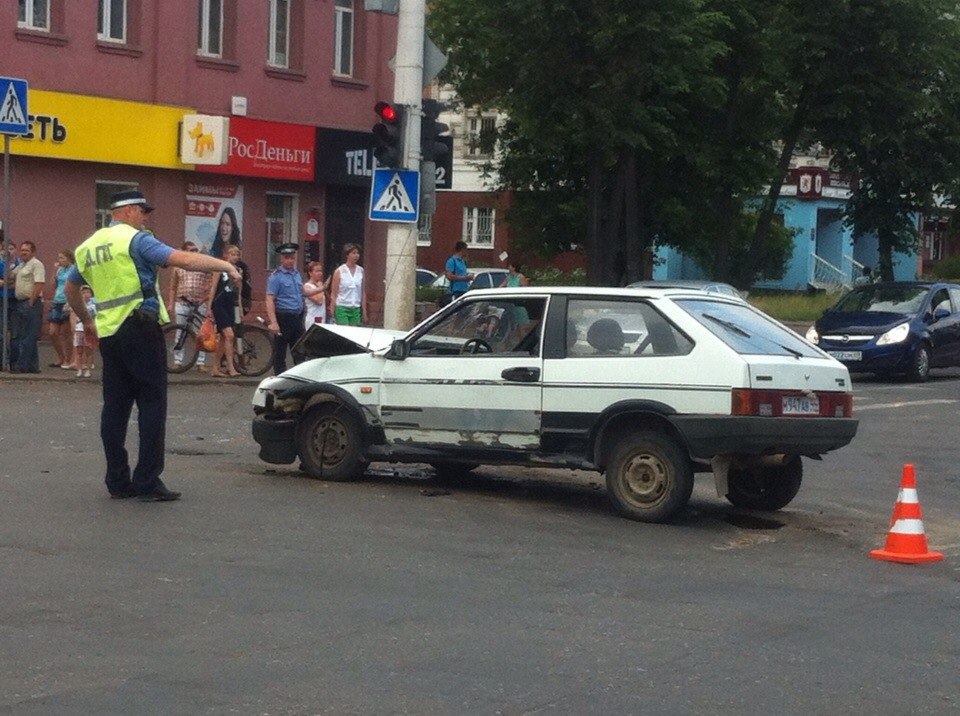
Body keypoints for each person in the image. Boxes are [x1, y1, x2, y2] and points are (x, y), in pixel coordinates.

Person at [65, 189, 240, 502]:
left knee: (115, 407)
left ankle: (117, 481)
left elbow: (70, 286)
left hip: (109, 334)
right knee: (152, 403)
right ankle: (147, 481)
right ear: (129, 211)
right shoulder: (136, 239)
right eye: (143, 212)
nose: (145, 218)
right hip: (141, 328)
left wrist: (87, 321)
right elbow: (181, 259)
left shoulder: (88, 246)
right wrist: (224, 266)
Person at [166, 240, 210, 371]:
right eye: (191, 250)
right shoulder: (178, 268)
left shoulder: (203, 266)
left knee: (201, 334)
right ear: (184, 251)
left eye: (196, 250)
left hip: (199, 304)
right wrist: (171, 304)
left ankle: (200, 363)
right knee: (180, 332)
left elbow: (211, 284)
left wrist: (206, 299)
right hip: (182, 303)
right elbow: (173, 287)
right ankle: (177, 361)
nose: (194, 252)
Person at [265, 242, 306, 375]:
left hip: (297, 317)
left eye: (292, 257)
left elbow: (302, 292)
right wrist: (273, 322)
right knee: (280, 352)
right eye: (287, 257)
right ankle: (280, 382)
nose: (290, 260)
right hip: (283, 317)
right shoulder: (276, 277)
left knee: (299, 351)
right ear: (281, 258)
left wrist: (321, 288)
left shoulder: (296, 274)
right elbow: (269, 299)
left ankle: (300, 379)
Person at [207, 245, 242, 378]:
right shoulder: (220, 269)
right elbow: (213, 287)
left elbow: (237, 292)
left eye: (237, 255)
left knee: (223, 338)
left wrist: (239, 309)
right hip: (219, 303)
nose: (235, 257)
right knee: (230, 335)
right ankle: (230, 367)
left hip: (229, 304)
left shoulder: (238, 270)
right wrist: (209, 307)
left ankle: (215, 367)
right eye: (232, 254)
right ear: (226, 255)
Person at [10, 241, 46, 374]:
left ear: (33, 252)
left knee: (28, 336)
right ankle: (33, 367)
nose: (23, 252)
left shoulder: (36, 264)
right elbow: (10, 276)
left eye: (26, 250)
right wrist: (9, 259)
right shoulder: (22, 265)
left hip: (31, 303)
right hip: (21, 302)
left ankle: (22, 366)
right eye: (22, 250)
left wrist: (31, 301)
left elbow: (39, 283)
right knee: (26, 334)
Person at [48, 249, 76, 369]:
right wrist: (54, 271)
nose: (60, 261)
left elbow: (75, 285)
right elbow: (53, 285)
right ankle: (61, 357)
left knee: (66, 333)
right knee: (53, 332)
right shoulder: (60, 270)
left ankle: (68, 359)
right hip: (57, 300)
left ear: (69, 258)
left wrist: (71, 302)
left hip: (67, 301)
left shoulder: (73, 269)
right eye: (59, 258)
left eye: (62, 258)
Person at [330, 243, 368, 325]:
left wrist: (364, 310)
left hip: (356, 308)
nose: (356, 256)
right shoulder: (339, 271)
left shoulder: (361, 270)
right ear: (347, 255)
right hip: (342, 307)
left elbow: (362, 292)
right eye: (353, 253)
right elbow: (334, 293)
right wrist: (332, 310)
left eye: (358, 253)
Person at [0, 239, 21, 367]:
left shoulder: (20, 264)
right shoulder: (1, 263)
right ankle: (2, 361)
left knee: (15, 332)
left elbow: (18, 283)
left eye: (11, 248)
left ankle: (14, 362)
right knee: (1, 332)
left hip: (15, 300)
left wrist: (6, 282)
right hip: (1, 299)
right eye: (5, 248)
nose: (8, 251)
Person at [73, 285, 97, 378]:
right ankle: (79, 369)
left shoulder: (94, 305)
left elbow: (95, 317)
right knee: (79, 351)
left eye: (88, 292)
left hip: (89, 330)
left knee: (89, 351)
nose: (86, 295)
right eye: (83, 293)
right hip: (79, 329)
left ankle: (88, 369)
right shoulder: (77, 304)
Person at [303, 261, 329, 329]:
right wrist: (321, 288)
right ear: (310, 273)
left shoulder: (318, 286)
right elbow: (319, 301)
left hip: (322, 318)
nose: (320, 273)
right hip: (312, 319)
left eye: (320, 271)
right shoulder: (307, 286)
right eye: (317, 271)